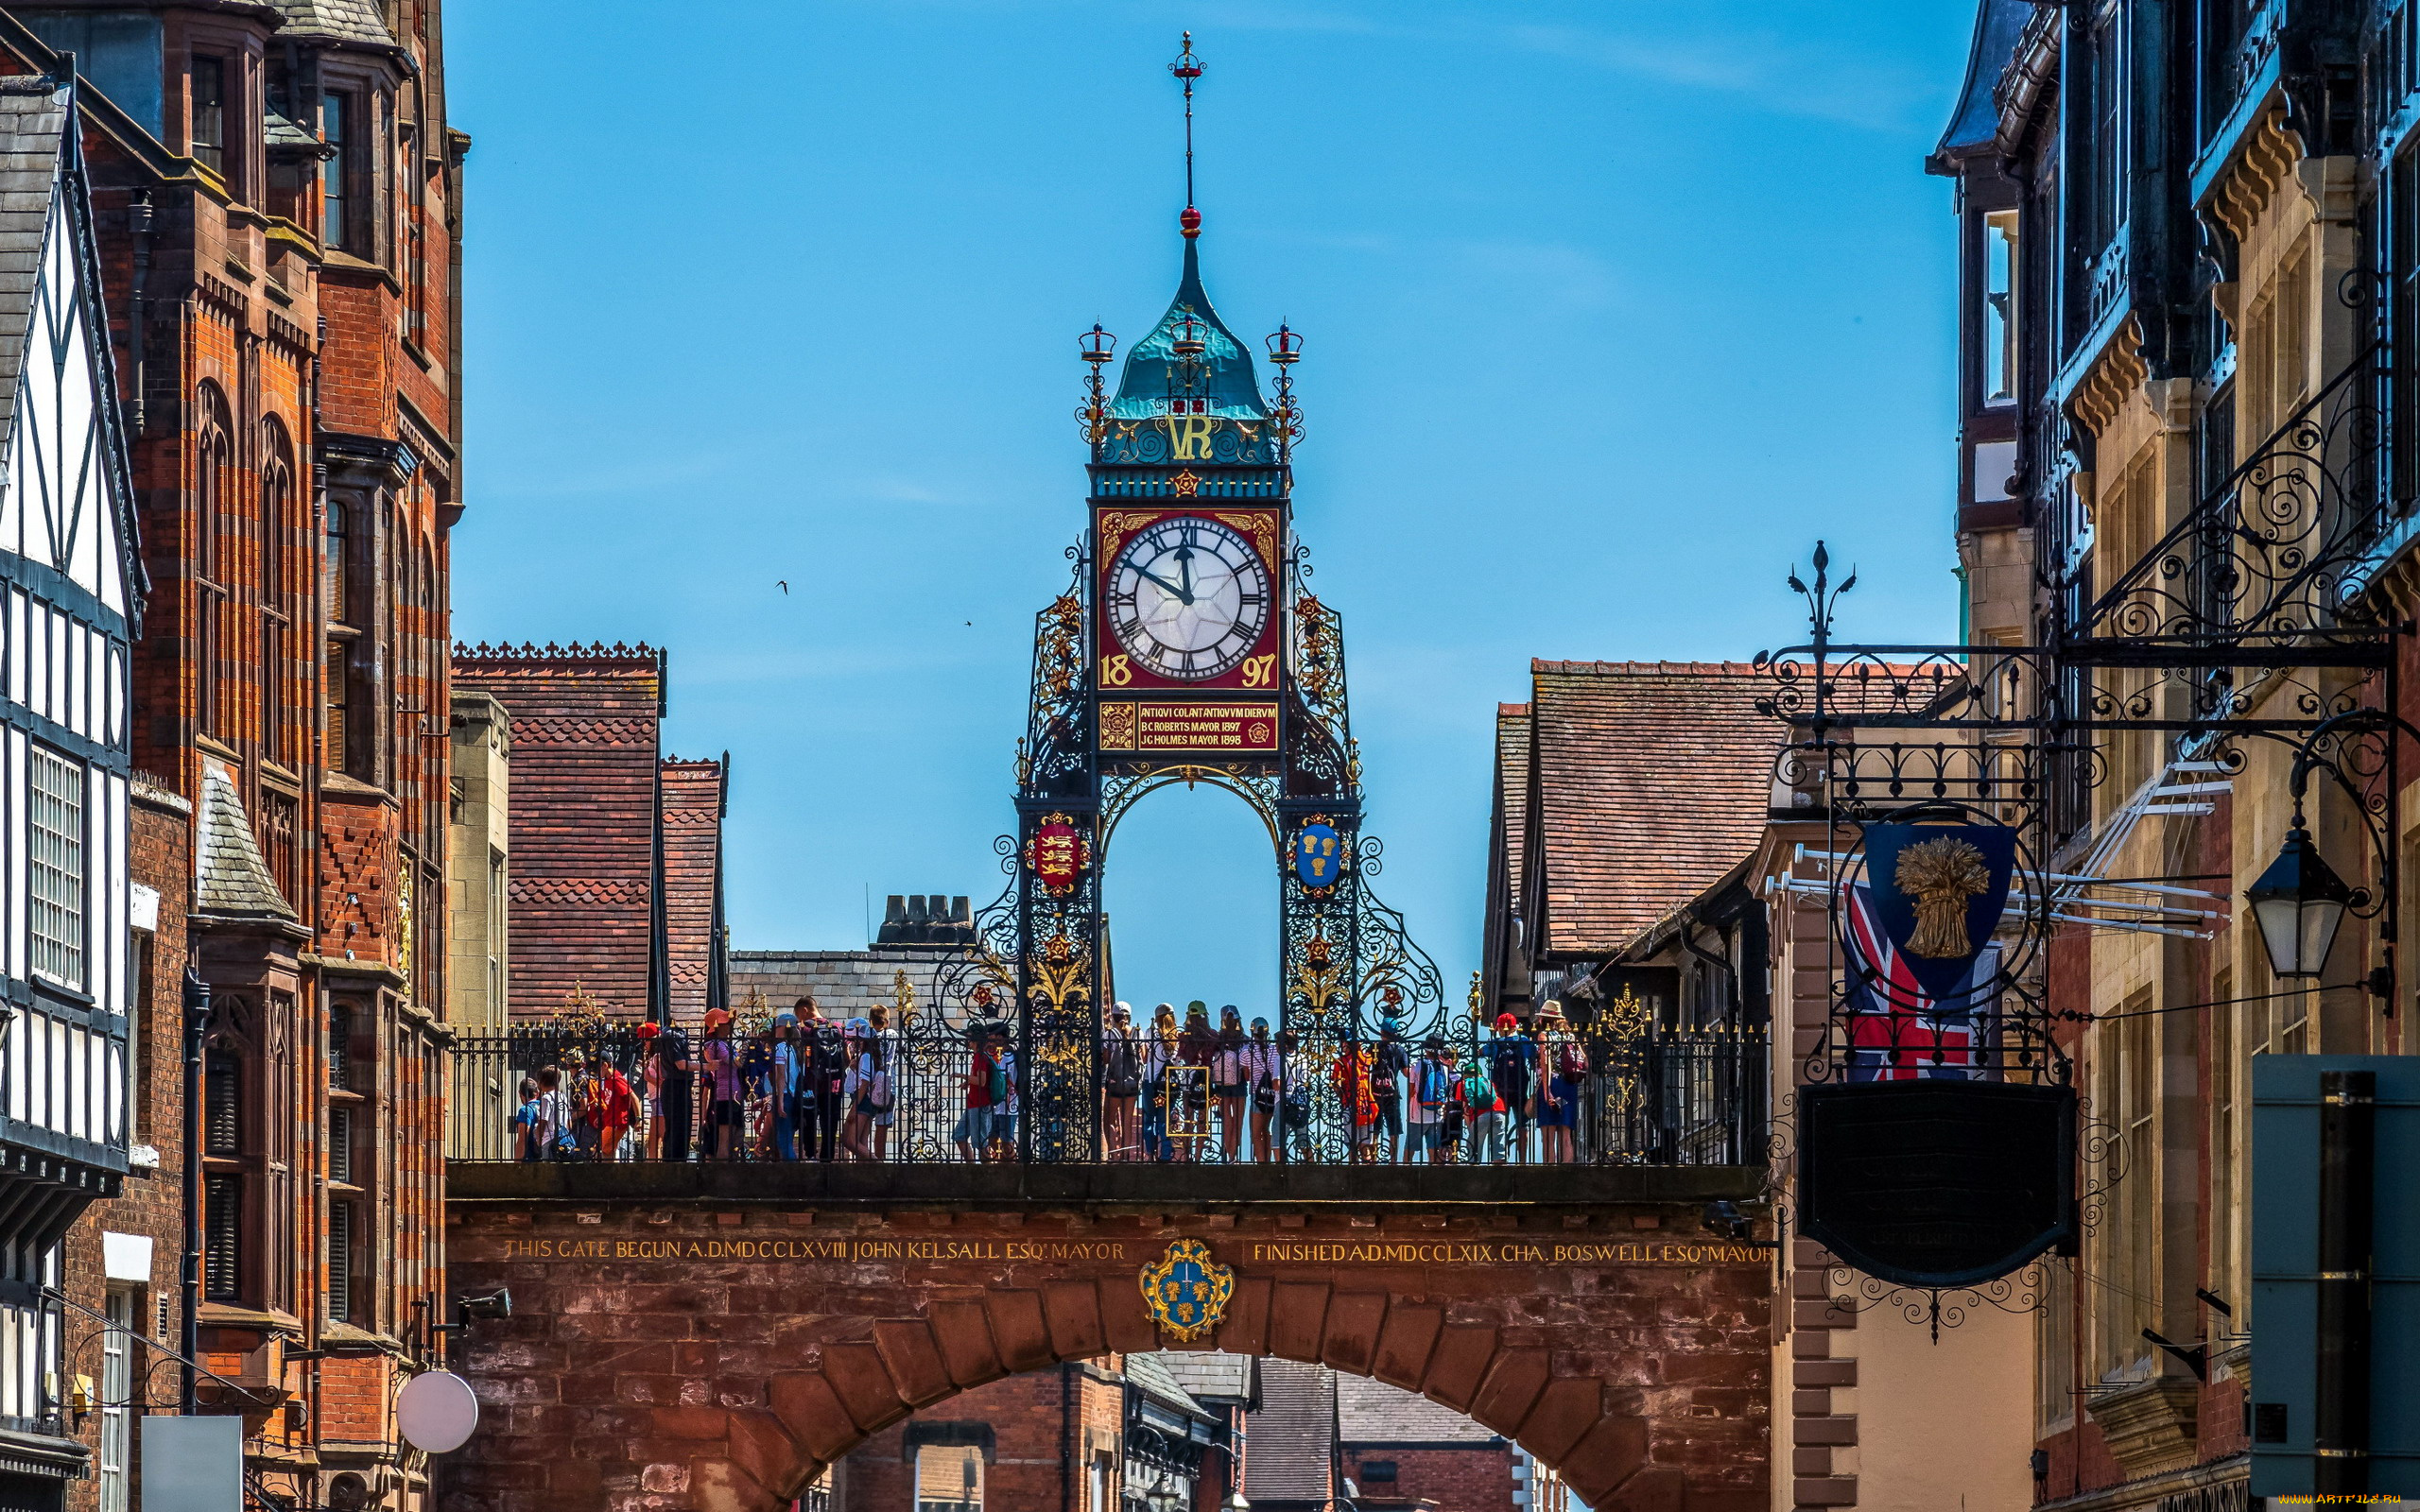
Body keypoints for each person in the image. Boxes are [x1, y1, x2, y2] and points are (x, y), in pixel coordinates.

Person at [1535, 1005, 1584, 1164]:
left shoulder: (1545, 1036)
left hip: (1553, 1083)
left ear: (1545, 1018)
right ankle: (1567, 1170)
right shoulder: (1570, 1037)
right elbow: (1584, 1061)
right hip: (1569, 1085)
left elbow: (1545, 1064)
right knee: (1566, 1134)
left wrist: (1546, 1091)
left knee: (1548, 1135)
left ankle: (1549, 1173)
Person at [1486, 1013, 1534, 1164]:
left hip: (1501, 1091)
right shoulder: (1523, 1041)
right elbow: (1533, 1055)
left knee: (1500, 1125)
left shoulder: (1495, 1044)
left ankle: (1499, 1158)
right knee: (1523, 1126)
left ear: (1499, 1027)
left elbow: (1480, 1051)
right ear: (1515, 1027)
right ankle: (1523, 1161)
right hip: (1520, 1089)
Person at [700, 1008, 744, 1160]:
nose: (730, 1026)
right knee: (724, 1141)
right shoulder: (716, 1045)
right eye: (727, 1023)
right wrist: (746, 1050)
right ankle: (721, 1177)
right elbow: (736, 1063)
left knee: (734, 1138)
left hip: (734, 1095)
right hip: (726, 1095)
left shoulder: (723, 1044)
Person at [1101, 1003, 1142, 1160]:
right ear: (1129, 1017)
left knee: (1108, 1120)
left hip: (1114, 1082)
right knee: (1127, 1122)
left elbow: (1105, 1058)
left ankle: (1112, 1154)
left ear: (1113, 1016)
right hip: (1132, 1084)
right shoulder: (1137, 1033)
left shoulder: (1110, 1034)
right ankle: (1125, 1156)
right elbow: (1143, 1055)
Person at [1407, 1036, 1454, 1163]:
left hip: (1417, 1115)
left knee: (1409, 1150)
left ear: (1426, 1050)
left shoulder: (1417, 1065)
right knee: (1433, 1150)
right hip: (1437, 1115)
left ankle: (1405, 1175)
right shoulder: (1444, 1068)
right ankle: (1432, 1175)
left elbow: (1411, 1090)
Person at [1211, 1006, 1250, 1162]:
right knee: (1238, 1122)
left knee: (1227, 1119)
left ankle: (1229, 1156)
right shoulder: (1245, 1039)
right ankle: (1234, 1156)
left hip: (1222, 1083)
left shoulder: (1218, 1040)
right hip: (1239, 1082)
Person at [1141, 1005, 1179, 1162]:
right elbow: (1176, 1062)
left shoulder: (1152, 1033)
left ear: (1157, 1019)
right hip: (1167, 1086)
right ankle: (1165, 1154)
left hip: (1151, 1082)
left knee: (1149, 1119)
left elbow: (1144, 1058)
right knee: (1164, 1121)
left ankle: (1150, 1153)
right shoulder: (1176, 1036)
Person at [954, 1024, 996, 1162]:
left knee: (980, 1143)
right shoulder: (979, 1056)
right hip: (973, 1103)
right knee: (959, 1135)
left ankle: (987, 1174)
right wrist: (969, 1082)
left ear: (975, 1040)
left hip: (980, 1104)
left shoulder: (980, 1057)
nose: (967, 1041)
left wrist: (961, 1075)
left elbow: (982, 1081)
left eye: (969, 1038)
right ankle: (972, 1169)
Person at [658, 1017, 697, 1162]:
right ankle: (675, 1164)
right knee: (677, 1129)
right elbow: (680, 1064)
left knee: (682, 1127)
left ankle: (677, 1161)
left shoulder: (676, 1034)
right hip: (676, 1086)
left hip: (682, 1085)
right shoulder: (671, 1035)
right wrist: (707, 1066)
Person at [1333, 1040, 1378, 1162]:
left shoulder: (1341, 1061)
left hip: (1349, 1102)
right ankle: (1367, 1167)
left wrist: (1341, 1096)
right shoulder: (1366, 1058)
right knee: (1365, 1142)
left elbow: (1336, 1083)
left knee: (1352, 1142)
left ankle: (1353, 1167)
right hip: (1366, 1103)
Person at [1461, 1042, 1507, 1164]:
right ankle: (1499, 1169)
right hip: (1499, 1111)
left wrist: (1470, 1126)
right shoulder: (1488, 1082)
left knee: (1474, 1146)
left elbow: (1465, 1108)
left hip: (1480, 1115)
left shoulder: (1464, 1084)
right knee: (1498, 1144)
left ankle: (1474, 1169)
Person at [1274, 1030, 1314, 1162]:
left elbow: (1277, 1084)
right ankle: (1312, 1168)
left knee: (1278, 1141)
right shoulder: (1304, 1058)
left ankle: (1280, 1170)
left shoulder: (1280, 1059)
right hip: (1300, 1102)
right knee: (1303, 1139)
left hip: (1284, 1102)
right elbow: (1307, 1080)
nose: (1276, 1047)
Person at [769, 1017, 805, 1160]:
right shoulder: (797, 1049)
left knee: (783, 1139)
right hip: (796, 1096)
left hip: (785, 1095)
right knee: (788, 1136)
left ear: (783, 1028)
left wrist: (780, 1102)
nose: (774, 1031)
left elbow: (781, 1076)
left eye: (776, 1027)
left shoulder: (780, 1048)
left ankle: (793, 1172)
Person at [1370, 1027, 1409, 1162]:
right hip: (1392, 1093)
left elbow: (1364, 1062)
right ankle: (1393, 1161)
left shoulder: (1375, 1047)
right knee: (1394, 1130)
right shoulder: (1400, 1049)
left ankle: (1372, 1160)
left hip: (1374, 1093)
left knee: (1374, 1130)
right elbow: (1406, 1072)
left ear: (1382, 1032)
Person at [1244, 1018, 1279, 1163]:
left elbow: (1246, 1076)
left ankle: (1261, 1162)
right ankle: (1269, 1161)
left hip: (1256, 1094)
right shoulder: (1274, 1050)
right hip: (1272, 1094)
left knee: (1256, 1132)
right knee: (1267, 1130)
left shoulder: (1246, 1051)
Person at [597, 1054, 640, 1160]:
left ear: (605, 1065)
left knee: (603, 1148)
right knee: (607, 1150)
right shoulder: (608, 1079)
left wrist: (639, 1119)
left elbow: (633, 1097)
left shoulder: (616, 1079)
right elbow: (612, 1101)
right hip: (610, 1121)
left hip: (617, 1122)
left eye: (596, 1067)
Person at [988, 1025, 1021, 1160]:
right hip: (1001, 1107)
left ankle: (1013, 1168)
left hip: (1008, 1105)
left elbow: (1001, 1077)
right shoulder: (1003, 1055)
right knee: (992, 1138)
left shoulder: (1007, 1056)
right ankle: (1003, 1166)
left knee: (1007, 1142)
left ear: (1000, 1038)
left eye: (993, 1037)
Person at [637, 1022, 667, 1160]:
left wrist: (647, 1076)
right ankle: (653, 1165)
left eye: (646, 1040)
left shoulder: (658, 1058)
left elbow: (663, 1082)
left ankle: (666, 1163)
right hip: (655, 1100)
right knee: (653, 1140)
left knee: (663, 1135)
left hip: (660, 1099)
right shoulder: (652, 1058)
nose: (644, 1044)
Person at [511, 1076, 544, 1161]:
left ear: (520, 1094)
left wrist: (517, 1162)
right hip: (546, 1155)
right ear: (537, 1093)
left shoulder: (525, 1110)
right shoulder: (544, 1106)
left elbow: (522, 1138)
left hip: (530, 1159)